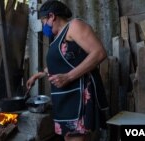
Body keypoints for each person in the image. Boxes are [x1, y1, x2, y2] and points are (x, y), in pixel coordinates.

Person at [26, 1, 109, 141]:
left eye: (44, 20)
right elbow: (63, 64)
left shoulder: (74, 26)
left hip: (78, 95)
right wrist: (38, 75)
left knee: (76, 137)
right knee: (69, 137)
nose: (43, 25)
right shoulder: (56, 39)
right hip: (65, 98)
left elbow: (99, 52)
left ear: (52, 16)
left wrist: (68, 77)